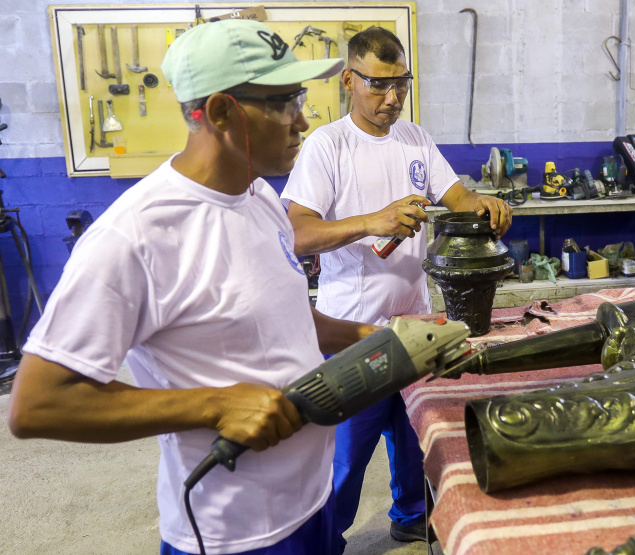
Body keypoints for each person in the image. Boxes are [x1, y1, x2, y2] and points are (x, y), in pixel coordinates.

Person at [6, 19, 378, 555]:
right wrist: (212, 406)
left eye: (299, 97)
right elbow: (37, 404)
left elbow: (285, 316)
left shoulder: (259, 198)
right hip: (234, 533)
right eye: (282, 102)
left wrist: (370, 334)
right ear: (222, 112)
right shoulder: (136, 236)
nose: (302, 120)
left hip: (312, 503)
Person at [281, 26, 512, 552]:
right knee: (344, 458)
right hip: (353, 333)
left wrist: (486, 206)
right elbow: (297, 234)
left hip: (418, 326)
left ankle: (412, 517)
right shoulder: (327, 146)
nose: (392, 98)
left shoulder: (415, 140)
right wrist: (371, 222)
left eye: (401, 85)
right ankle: (322, 540)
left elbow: (457, 196)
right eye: (378, 85)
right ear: (348, 81)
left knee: (417, 440)